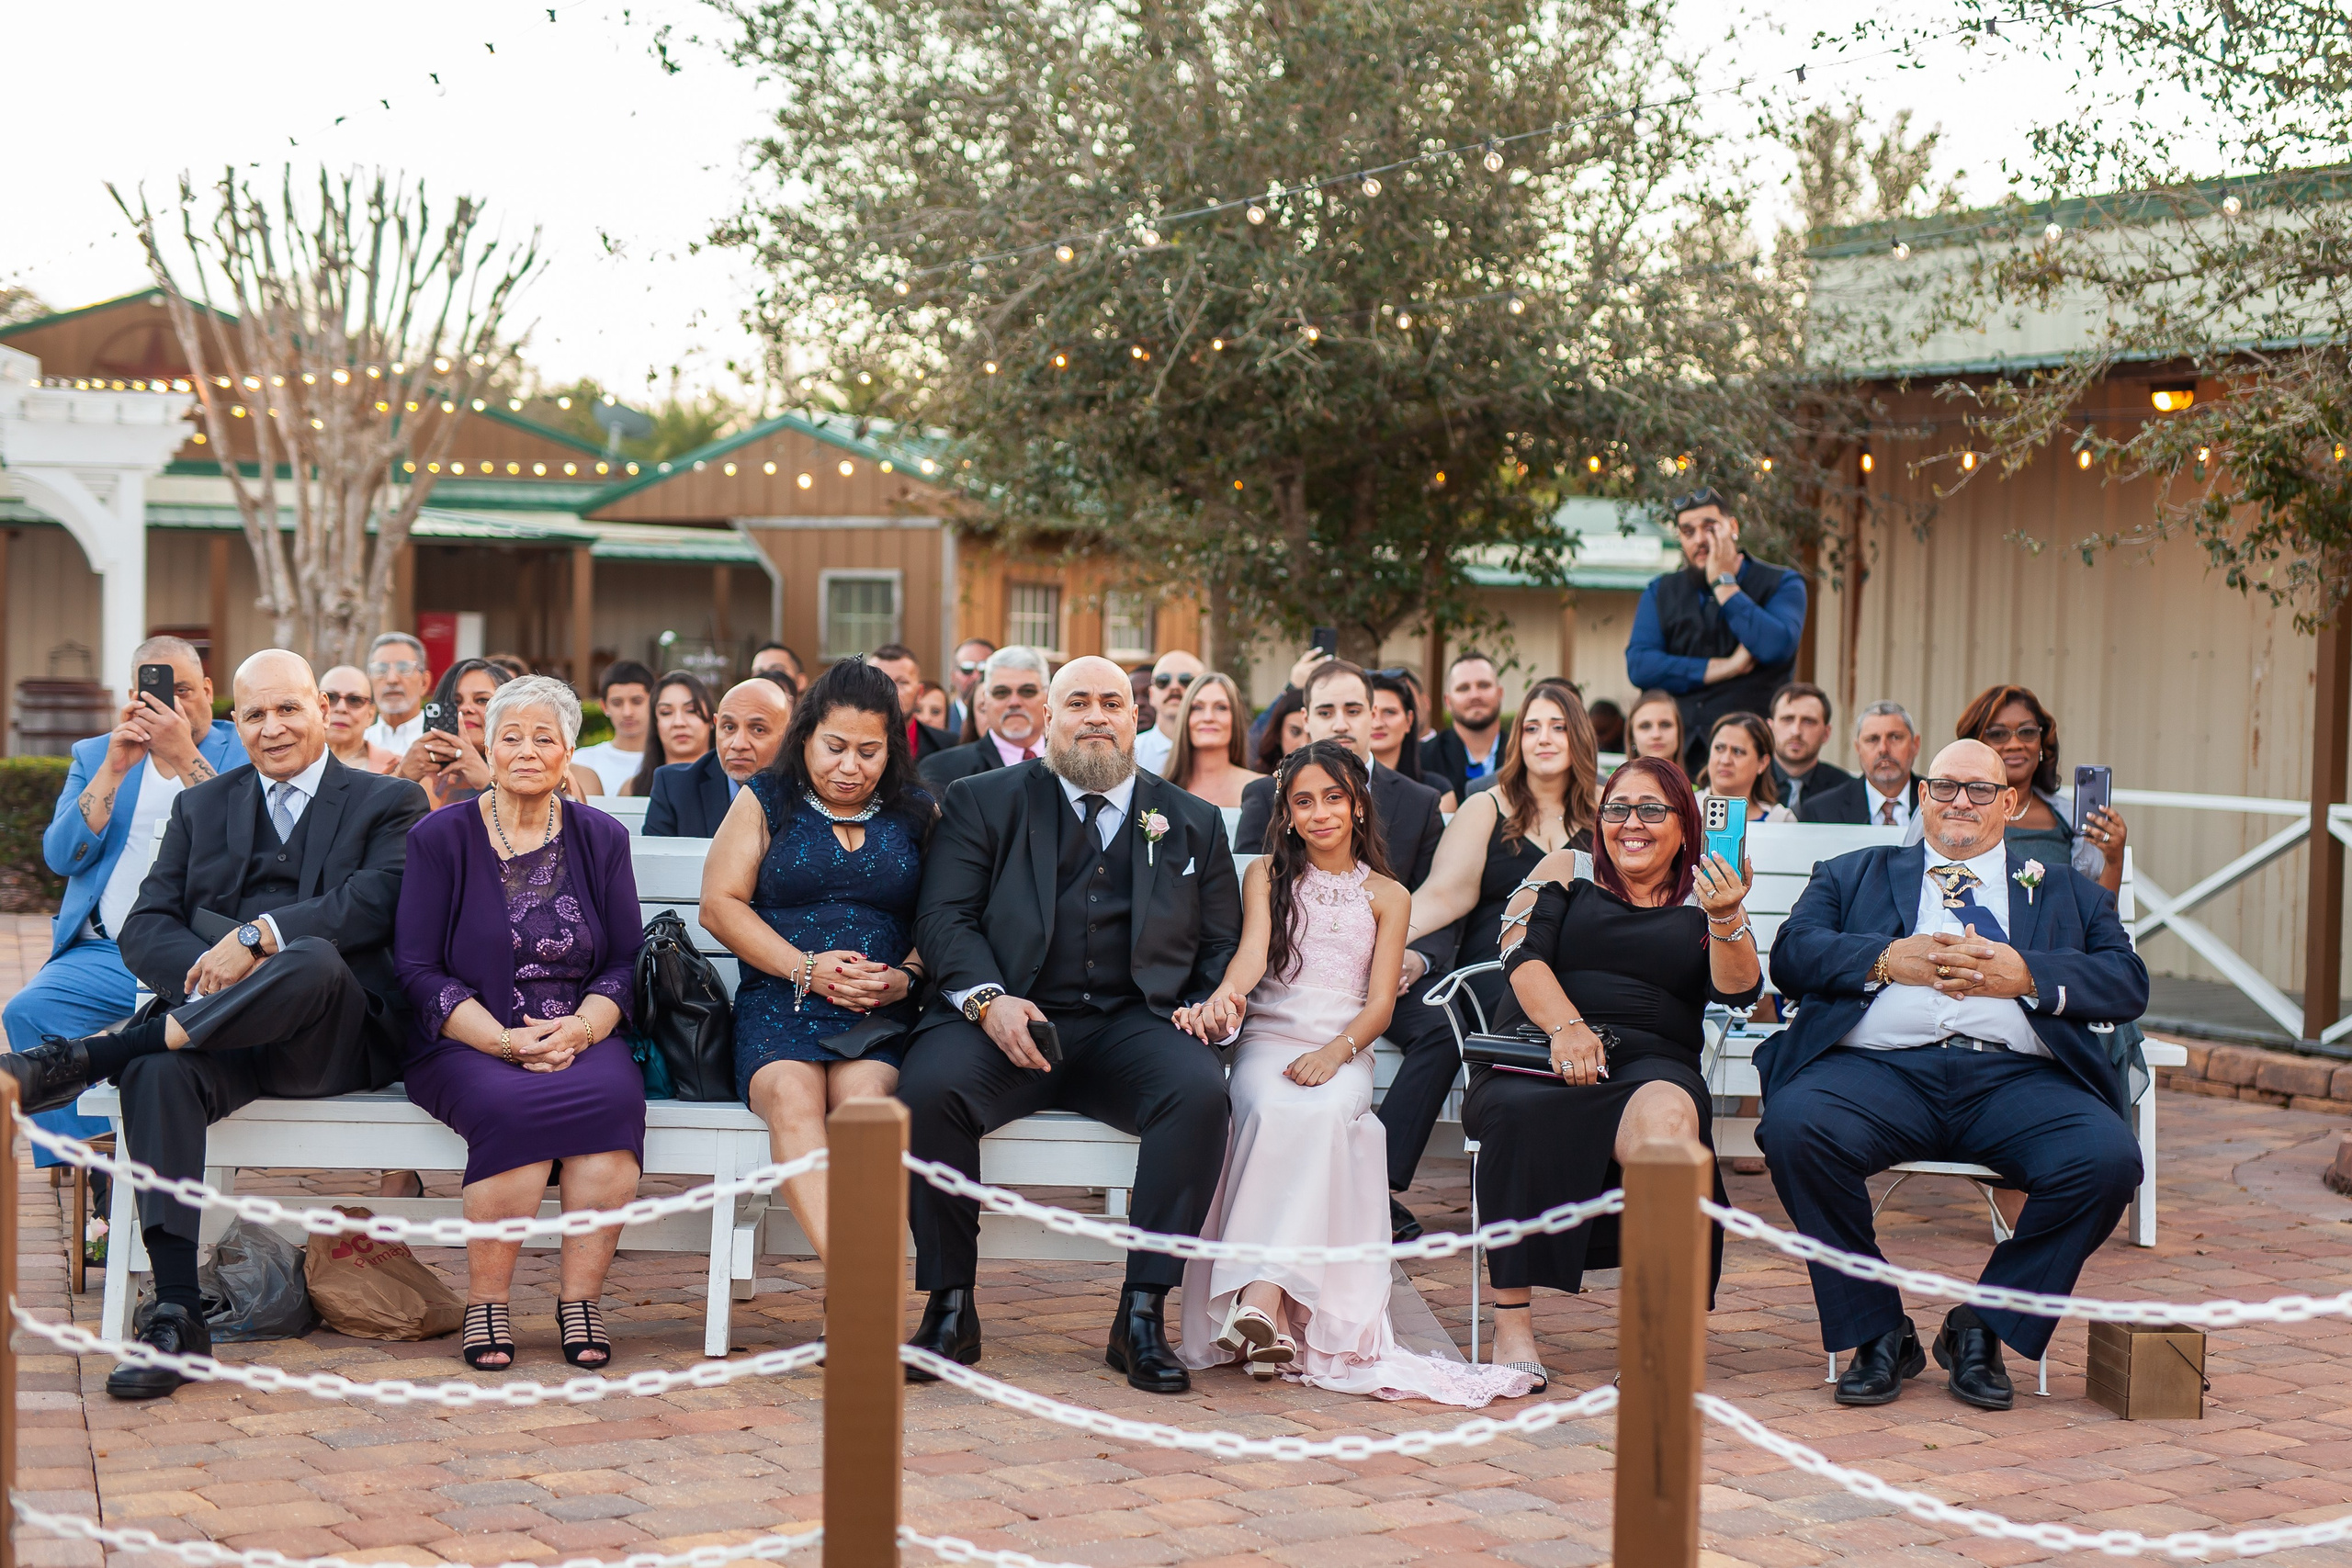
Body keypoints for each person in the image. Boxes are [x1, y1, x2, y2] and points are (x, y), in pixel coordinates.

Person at [0, 652, 427, 1399]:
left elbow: (370, 906)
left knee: (316, 956)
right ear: (237, 721)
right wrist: (214, 963)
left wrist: (254, 936)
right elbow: (145, 926)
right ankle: (174, 1313)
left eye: (289, 708)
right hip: (218, 1039)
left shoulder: (387, 801)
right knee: (157, 1070)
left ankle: (103, 1049)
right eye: (254, 713)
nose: (272, 728)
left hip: (329, 1040)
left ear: (322, 711)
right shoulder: (203, 806)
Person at [1758, 739, 2149, 1411]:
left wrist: (2026, 974)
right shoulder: (1854, 873)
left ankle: (1985, 1325)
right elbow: (1792, 954)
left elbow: (2126, 980)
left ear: (2011, 803)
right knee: (1795, 1128)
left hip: (2017, 1079)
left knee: (2107, 1159)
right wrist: (1886, 959)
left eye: (1976, 789)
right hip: (1876, 1072)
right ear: (1922, 798)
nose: (1958, 801)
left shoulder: (2063, 889)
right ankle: (1877, 1329)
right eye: (1943, 787)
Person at [899, 656, 1240, 1393]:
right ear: (1049, 720)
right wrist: (989, 1000)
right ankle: (950, 1306)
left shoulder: (1191, 821)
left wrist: (1210, 1000)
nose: (1095, 715)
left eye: (1111, 702)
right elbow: (944, 917)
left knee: (1198, 1093)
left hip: (1132, 1023)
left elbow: (1220, 945)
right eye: (1077, 701)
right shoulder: (979, 800)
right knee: (927, 1089)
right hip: (1008, 1015)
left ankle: (1141, 1313)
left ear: (1137, 717)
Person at [1172, 743, 1534, 1404]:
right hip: (1270, 1038)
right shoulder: (1264, 878)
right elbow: (1251, 959)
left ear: (1358, 803)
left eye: (1333, 797)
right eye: (1304, 800)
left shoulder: (1388, 894)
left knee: (1324, 1109)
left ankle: (1261, 1298)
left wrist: (1336, 1052)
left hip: (1343, 1044)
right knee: (1273, 1107)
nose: (1320, 813)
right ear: (1285, 812)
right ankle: (1269, 1314)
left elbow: (1379, 1004)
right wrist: (1224, 997)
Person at [1467, 756, 1761, 1388]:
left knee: (1670, 1122)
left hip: (1652, 1061)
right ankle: (1512, 1320)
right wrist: (1567, 1027)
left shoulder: (1707, 893)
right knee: (1515, 1112)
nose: (1632, 823)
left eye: (1653, 809)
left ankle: (1658, 1329)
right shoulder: (1566, 870)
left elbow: (1739, 990)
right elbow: (1519, 956)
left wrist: (1727, 916)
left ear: (1686, 824)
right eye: (1618, 808)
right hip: (1546, 1041)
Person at [393, 676, 643, 1371]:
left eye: (544, 737)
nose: (526, 750)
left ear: (567, 752)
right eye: (511, 736)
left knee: (614, 1104)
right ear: (488, 747)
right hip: (466, 1034)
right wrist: (503, 1040)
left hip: (580, 1031)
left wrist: (581, 1031)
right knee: (511, 1103)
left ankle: (580, 1300)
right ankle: (488, 1302)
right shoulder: (439, 836)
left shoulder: (601, 837)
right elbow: (416, 968)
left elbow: (625, 960)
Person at [703, 660, 935, 1260]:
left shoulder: (915, 810)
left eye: (869, 750)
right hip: (783, 1000)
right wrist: (805, 967)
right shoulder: (767, 798)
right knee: (792, 1095)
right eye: (835, 747)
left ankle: (855, 1299)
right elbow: (719, 906)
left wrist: (906, 975)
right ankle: (855, 1282)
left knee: (867, 1107)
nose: (850, 766)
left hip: (877, 1010)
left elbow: (947, 913)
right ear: (806, 736)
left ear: (892, 749)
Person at [1235, 660, 1453, 1240]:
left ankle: (1379, 1185)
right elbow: (1244, 926)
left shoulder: (1419, 802)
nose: (1341, 721)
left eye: (1354, 709)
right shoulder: (1267, 807)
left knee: (1438, 1029)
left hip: (1380, 983)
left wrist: (1416, 956)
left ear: (1376, 714)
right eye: (1326, 710)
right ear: (1305, 718)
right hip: (1282, 994)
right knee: (1276, 1101)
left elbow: (1440, 898)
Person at [6, 637, 245, 1164]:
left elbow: (247, 842)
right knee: (28, 1012)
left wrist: (184, 753)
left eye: (184, 689)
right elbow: (62, 856)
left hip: (201, 954)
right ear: (134, 694)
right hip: (106, 953)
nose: (172, 704)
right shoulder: (97, 753)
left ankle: (179, 1152)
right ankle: (88, 1169)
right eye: (157, 691)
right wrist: (113, 769)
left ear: (208, 690)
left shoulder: (242, 749)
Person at [1400, 679, 1599, 1209]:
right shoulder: (1486, 806)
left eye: (1558, 727)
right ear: (1516, 741)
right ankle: (1384, 1190)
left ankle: (1568, 1198)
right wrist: (1373, 944)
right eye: (1531, 727)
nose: (1544, 738)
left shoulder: (1607, 811)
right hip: (1493, 974)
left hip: (1579, 979)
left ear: (1579, 737)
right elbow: (1444, 896)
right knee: (1475, 1029)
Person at [1625, 488, 1808, 776]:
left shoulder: (1782, 583)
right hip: (1677, 757)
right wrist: (1726, 667)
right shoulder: (1660, 590)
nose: (1700, 540)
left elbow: (1777, 646)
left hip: (1748, 760)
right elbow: (1640, 667)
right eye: (1688, 532)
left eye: (1710, 528)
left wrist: (1724, 584)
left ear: (1732, 527)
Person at [1955, 684, 2129, 897]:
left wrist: (2114, 860)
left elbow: (2099, 918)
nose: (2014, 744)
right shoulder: (1947, 807)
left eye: (2027, 732)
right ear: (1977, 745)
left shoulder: (2068, 817)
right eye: (1999, 734)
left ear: (2041, 744)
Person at [646, 678, 795, 838]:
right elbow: (656, 861)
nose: (738, 744)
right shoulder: (675, 788)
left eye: (758, 729)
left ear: (788, 733)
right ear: (716, 725)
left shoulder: (808, 791)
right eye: (729, 727)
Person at [922, 647, 1049, 787]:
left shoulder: (1071, 763)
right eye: (1001, 692)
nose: (1014, 702)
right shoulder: (943, 769)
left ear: (1048, 696)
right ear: (985, 701)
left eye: (1027, 691)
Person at [394, 658, 506, 809]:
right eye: (456, 701)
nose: (466, 708)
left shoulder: (528, 766)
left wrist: (486, 781)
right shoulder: (417, 771)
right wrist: (403, 775)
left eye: (481, 700)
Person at [1799, 701, 1926, 833]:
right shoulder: (1821, 811)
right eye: (1872, 739)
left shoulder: (1940, 800)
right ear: (1858, 748)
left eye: (1895, 737)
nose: (1883, 749)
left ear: (1915, 744)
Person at [1164, 671, 1264, 809]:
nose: (1208, 717)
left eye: (1221, 707)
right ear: (1185, 717)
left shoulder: (1264, 789)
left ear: (1235, 717)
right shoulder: (1160, 791)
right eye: (1197, 708)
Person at [1421, 652, 1507, 800]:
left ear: (1500, 693)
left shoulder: (1524, 754)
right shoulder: (1422, 758)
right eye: (1463, 688)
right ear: (1447, 701)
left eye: (1484, 685)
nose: (1474, 695)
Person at [1368, 669, 1453, 810]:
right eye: (1371, 713)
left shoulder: (1437, 791)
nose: (1378, 724)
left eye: (1390, 712)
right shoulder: (1341, 786)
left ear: (1409, 720)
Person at [623, 671, 717, 798]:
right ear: (655, 724)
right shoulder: (632, 789)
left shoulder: (733, 784)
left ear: (712, 720)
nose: (679, 722)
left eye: (691, 710)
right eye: (666, 712)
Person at [1769, 682, 1853, 814]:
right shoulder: (1747, 783)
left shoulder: (1847, 790)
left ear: (1826, 733)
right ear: (1771, 728)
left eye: (1808, 721)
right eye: (1787, 719)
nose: (1796, 731)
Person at [574, 660, 656, 794]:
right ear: (604, 706)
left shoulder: (668, 763)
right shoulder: (580, 761)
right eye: (617, 703)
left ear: (654, 702)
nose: (627, 712)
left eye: (637, 701)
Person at [1697, 712, 1793, 824]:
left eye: (1737, 751)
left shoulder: (1781, 820)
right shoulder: (1683, 809)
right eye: (1719, 748)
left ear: (1762, 763)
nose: (1725, 760)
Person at [869, 643, 957, 764]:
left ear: (919, 693)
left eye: (902, 682)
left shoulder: (949, 747)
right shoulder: (846, 743)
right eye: (880, 681)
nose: (891, 690)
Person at [1134, 649, 1205, 777]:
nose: (1174, 687)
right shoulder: (1130, 753)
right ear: (1151, 694)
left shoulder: (1217, 752)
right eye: (1163, 681)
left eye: (1186, 681)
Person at [320, 666, 401, 774]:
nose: (341, 708)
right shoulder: (293, 763)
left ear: (370, 715)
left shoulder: (398, 769)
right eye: (330, 697)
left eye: (354, 700)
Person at [362, 632, 431, 755]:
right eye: (380, 669)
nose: (392, 679)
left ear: (424, 682)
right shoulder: (359, 743)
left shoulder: (439, 743)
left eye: (404, 669)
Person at [1626, 689, 1686, 774]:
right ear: (1632, 737)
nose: (1656, 735)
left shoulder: (1693, 788)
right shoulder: (1612, 786)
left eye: (1665, 725)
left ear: (1679, 732)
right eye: (1645, 726)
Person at [946, 637, 996, 737]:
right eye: (967, 669)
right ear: (953, 676)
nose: (976, 677)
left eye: (984, 670)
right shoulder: (942, 719)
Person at [1254, 689, 1308, 774]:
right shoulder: (1260, 782)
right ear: (1278, 733)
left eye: (1311, 734)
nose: (1304, 743)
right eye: (1295, 732)